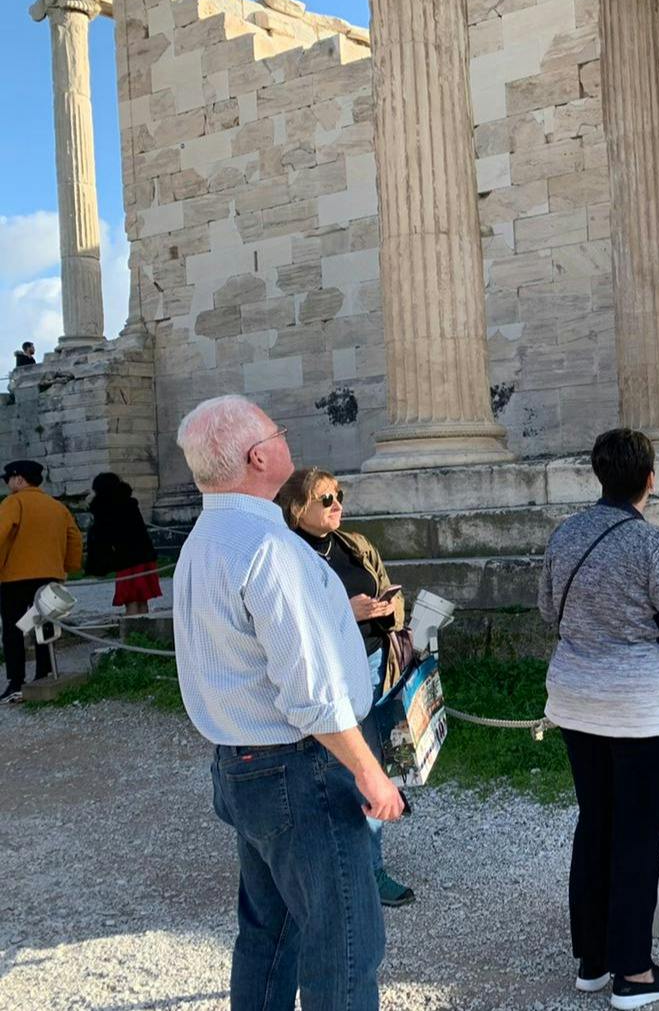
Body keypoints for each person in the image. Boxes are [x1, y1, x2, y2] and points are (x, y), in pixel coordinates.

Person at [171, 396, 402, 1011]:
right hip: (300, 767)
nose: (285, 437)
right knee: (346, 945)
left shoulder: (205, 539)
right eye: (278, 430)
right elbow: (313, 691)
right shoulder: (268, 547)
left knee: (270, 936)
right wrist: (368, 769)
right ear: (259, 456)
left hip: (242, 760)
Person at [537, 428, 659, 1010]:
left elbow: (546, 608)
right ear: (650, 479)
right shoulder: (652, 544)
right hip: (638, 707)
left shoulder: (566, 534)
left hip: (577, 698)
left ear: (599, 475)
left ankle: (593, 958)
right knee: (638, 833)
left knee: (596, 822)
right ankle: (633, 973)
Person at [275, 466, 416, 909]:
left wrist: (388, 607)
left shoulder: (355, 545)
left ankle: (371, 868)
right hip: (326, 674)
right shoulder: (286, 555)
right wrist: (344, 612)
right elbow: (287, 623)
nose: (338, 505)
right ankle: (340, 870)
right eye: (326, 499)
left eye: (339, 495)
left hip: (373, 663)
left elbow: (387, 588)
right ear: (298, 510)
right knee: (338, 770)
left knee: (374, 765)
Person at [0, 459, 82, 702]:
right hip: (49, 575)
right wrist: (67, 567)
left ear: (19, 479)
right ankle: (44, 672)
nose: (7, 484)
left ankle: (16, 681)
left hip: (15, 576)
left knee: (14, 630)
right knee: (44, 625)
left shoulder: (13, 502)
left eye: (8, 479)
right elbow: (74, 538)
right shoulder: (57, 507)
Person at [86, 472, 162, 616]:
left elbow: (103, 538)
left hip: (125, 558)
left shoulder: (104, 509)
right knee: (142, 600)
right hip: (143, 555)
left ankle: (133, 633)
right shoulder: (130, 504)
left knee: (131, 601)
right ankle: (143, 631)